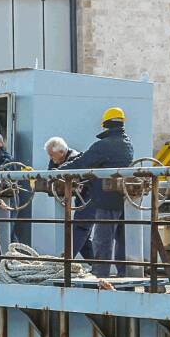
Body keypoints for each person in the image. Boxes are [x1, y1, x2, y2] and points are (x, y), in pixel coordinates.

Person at [57, 107, 134, 277]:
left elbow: (83, 162)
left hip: (105, 198)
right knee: (121, 239)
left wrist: (58, 172)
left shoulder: (104, 145)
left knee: (102, 239)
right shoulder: (128, 144)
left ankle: (101, 274)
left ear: (105, 125)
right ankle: (124, 273)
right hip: (123, 198)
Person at [46, 137, 95, 262]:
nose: (50, 158)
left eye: (52, 155)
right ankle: (96, 265)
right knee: (84, 239)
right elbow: (50, 175)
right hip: (82, 199)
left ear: (61, 153)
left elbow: (78, 180)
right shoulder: (56, 161)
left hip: (90, 197)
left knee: (80, 228)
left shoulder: (76, 158)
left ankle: (66, 261)